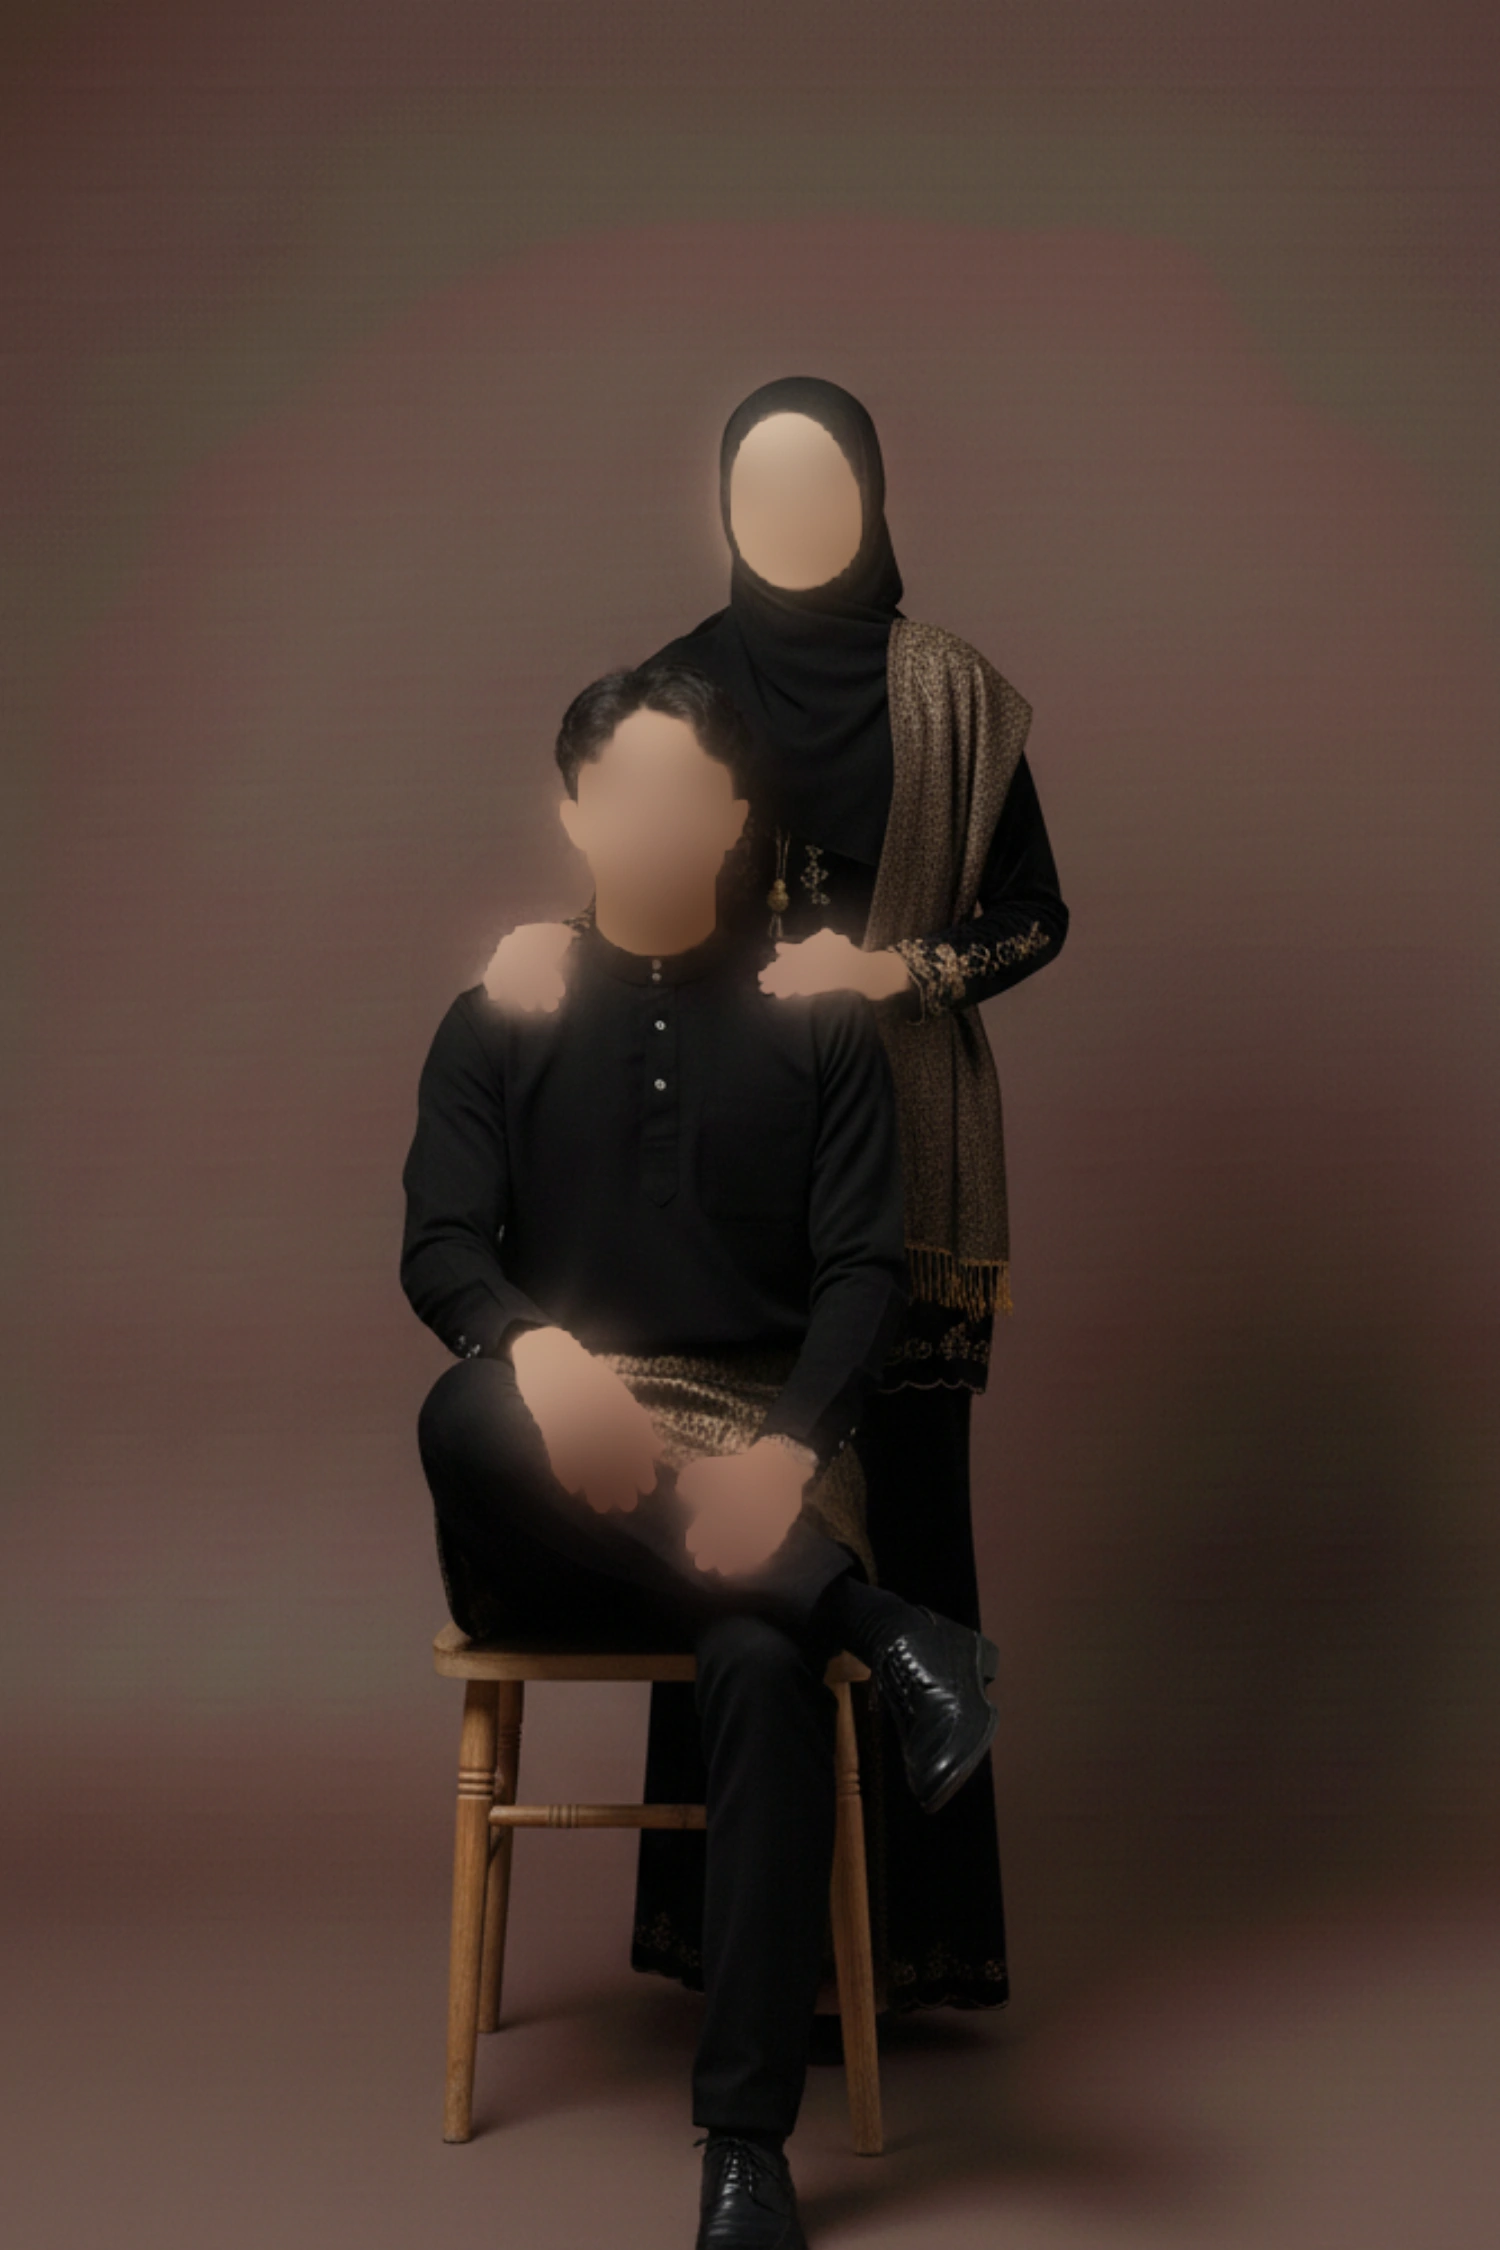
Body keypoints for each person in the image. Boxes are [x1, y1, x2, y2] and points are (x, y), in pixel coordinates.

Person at [481, 377, 1069, 2024]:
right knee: (726, 1494)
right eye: (762, 491)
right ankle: (736, 1954)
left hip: (916, 1152)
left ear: (874, 498)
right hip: (734, 1148)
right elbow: (639, 874)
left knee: (910, 1508)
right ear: (723, 510)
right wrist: (546, 944)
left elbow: (1037, 914)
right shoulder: (685, 681)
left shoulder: (953, 694)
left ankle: (917, 1953)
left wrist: (892, 971)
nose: (793, 518)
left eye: (822, 489)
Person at [402, 658, 1000, 2249]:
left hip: (758, 1455)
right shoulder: (504, 1009)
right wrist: (546, 1355)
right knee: (464, 1410)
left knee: (758, 1655)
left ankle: (746, 2150)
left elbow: (864, 1275)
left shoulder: (816, 1024)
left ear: (736, 817)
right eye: (623, 792)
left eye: (688, 793)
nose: (654, 822)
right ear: (573, 811)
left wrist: (787, 1448)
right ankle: (879, 1623)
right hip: (557, 1476)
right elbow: (441, 1245)